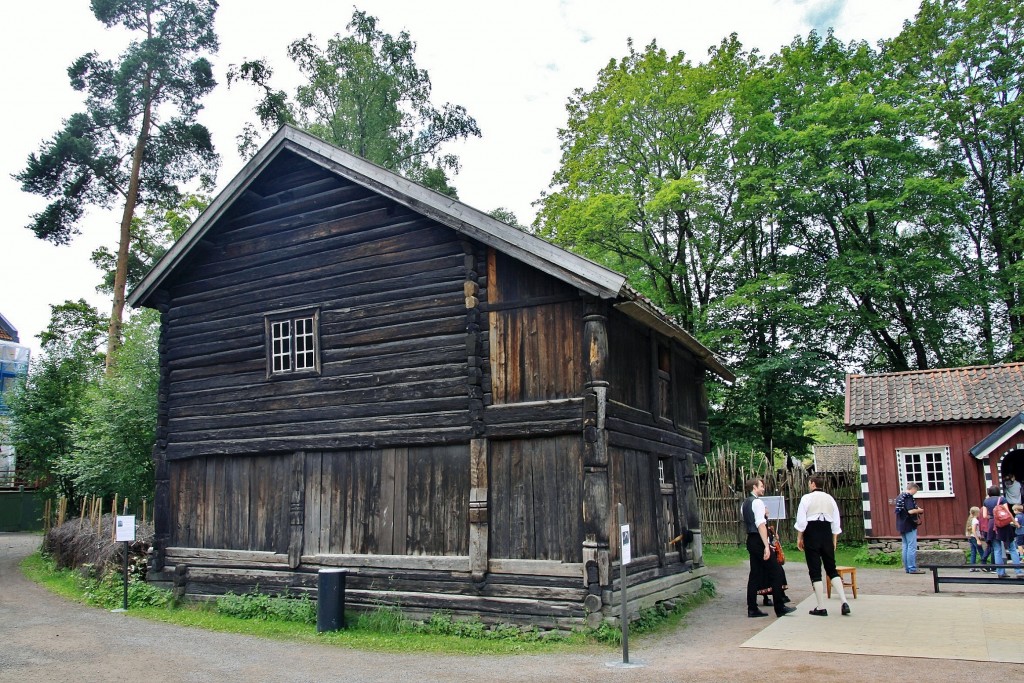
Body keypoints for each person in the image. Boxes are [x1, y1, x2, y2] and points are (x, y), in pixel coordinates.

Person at [795, 474, 850, 616]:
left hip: (812, 533)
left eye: (809, 483)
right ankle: (844, 601)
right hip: (826, 533)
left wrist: (799, 538)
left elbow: (802, 522)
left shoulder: (806, 498)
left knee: (815, 571)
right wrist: (834, 540)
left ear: (813, 484)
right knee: (831, 568)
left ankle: (821, 606)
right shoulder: (830, 498)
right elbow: (836, 522)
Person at [742, 476, 796, 618]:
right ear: (754, 487)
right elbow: (760, 525)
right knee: (776, 571)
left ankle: (752, 608)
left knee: (754, 575)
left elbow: (751, 521)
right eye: (761, 486)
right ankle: (779, 606)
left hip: (750, 540)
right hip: (759, 540)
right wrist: (766, 545)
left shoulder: (745, 503)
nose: (763, 488)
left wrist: (765, 516)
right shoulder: (758, 502)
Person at [981, 485, 1024, 578]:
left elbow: (984, 515)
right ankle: (1018, 571)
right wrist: (1014, 522)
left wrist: (992, 517)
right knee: (1012, 548)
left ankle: (1000, 572)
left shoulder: (986, 501)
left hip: (992, 525)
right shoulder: (1002, 499)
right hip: (1003, 524)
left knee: (997, 550)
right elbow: (1007, 512)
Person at [894, 482, 925, 574]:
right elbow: (911, 511)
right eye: (916, 491)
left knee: (905, 546)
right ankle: (912, 568)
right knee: (911, 546)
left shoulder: (900, 496)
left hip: (901, 524)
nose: (915, 493)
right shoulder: (908, 497)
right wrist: (919, 510)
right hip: (909, 524)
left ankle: (907, 568)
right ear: (913, 489)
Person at [966, 506, 983, 571]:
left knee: (973, 551)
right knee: (981, 551)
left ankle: (972, 567)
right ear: (977, 513)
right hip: (974, 537)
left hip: (970, 537)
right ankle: (985, 565)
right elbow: (974, 530)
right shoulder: (975, 520)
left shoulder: (970, 519)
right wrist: (978, 539)